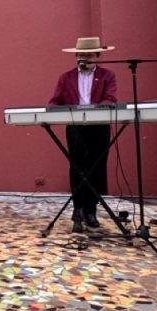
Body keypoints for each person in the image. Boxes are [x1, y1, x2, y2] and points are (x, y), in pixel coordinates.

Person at [49, 36, 117, 232]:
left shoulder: (107, 76)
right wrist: (51, 111)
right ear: (77, 55)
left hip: (99, 125)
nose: (85, 58)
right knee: (77, 166)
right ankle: (78, 208)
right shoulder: (66, 77)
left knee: (97, 166)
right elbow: (56, 100)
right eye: (82, 55)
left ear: (97, 56)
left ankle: (91, 210)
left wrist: (94, 111)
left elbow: (110, 98)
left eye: (89, 55)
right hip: (76, 126)